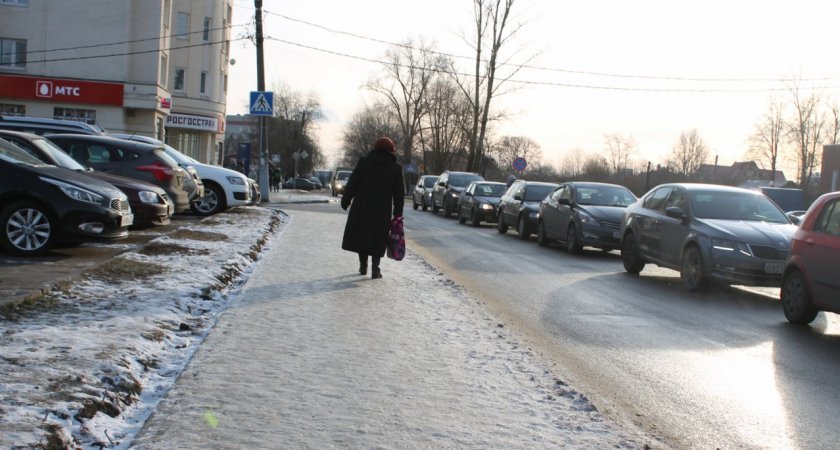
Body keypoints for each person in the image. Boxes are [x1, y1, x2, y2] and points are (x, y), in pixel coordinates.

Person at [340, 136, 405, 279]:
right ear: (391, 151)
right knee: (378, 237)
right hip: (382, 210)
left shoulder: (364, 163)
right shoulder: (395, 168)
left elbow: (353, 183)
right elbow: (399, 194)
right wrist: (397, 214)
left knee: (362, 236)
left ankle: (363, 265)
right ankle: (375, 268)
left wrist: (346, 199)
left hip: (361, 207)